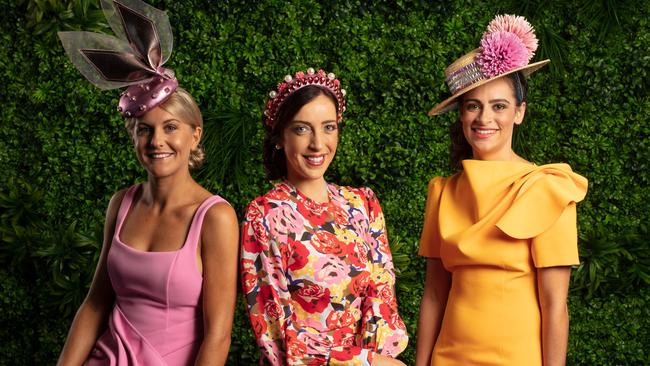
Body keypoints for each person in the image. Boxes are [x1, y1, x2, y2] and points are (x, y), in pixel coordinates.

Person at [56, 0, 238, 364]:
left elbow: (217, 336)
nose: (157, 142)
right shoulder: (121, 204)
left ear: (194, 136)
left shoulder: (215, 218)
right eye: (145, 130)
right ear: (134, 137)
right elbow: (95, 304)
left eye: (171, 128)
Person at [415, 14, 588, 366]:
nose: (484, 119)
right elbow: (434, 295)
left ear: (519, 113)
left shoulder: (547, 188)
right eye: (473, 106)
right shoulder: (443, 192)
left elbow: (555, 305)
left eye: (499, 106)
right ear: (461, 115)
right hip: (448, 358)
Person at [240, 68, 409, 365]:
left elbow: (382, 295)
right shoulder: (263, 215)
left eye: (328, 127)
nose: (318, 143)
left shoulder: (363, 205)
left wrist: (376, 358)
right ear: (280, 137)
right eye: (302, 129)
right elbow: (273, 328)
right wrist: (362, 362)